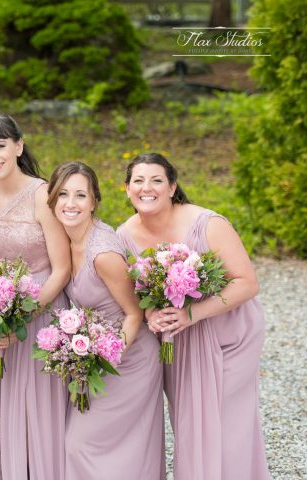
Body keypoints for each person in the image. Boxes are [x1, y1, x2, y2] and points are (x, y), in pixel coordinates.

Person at [116, 153, 270, 480]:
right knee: (189, 425)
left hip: (229, 335)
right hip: (180, 341)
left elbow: (247, 283)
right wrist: (150, 314)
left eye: (157, 180)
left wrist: (192, 313)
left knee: (227, 427)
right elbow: (134, 292)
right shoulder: (124, 236)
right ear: (127, 189)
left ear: (172, 187)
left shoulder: (208, 224)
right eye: (138, 181)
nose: (147, 188)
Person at [47, 161, 165, 479]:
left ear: (94, 201)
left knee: (80, 445)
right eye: (63, 195)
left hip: (130, 361)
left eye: (80, 195)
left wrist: (103, 359)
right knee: (91, 448)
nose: (70, 204)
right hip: (96, 358)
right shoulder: (64, 242)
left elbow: (134, 313)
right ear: (52, 200)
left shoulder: (103, 253)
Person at [0, 112, 70, 480]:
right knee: (9, 407)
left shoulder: (43, 193)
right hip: (3, 313)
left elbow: (62, 268)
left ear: (19, 146)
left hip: (42, 311)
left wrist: (24, 315)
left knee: (43, 409)